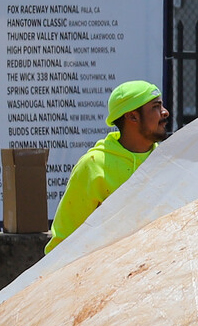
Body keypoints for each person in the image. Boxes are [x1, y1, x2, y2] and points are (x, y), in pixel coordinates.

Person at [47, 80, 170, 253]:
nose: (165, 112)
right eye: (156, 106)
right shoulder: (93, 165)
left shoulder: (168, 161)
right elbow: (64, 239)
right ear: (132, 116)